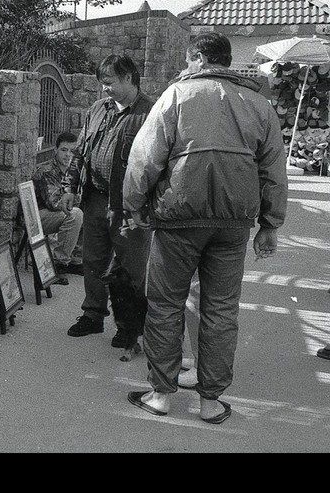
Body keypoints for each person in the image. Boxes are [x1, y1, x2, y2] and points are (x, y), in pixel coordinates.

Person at [123, 32, 287, 424]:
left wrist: (133, 207)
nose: (186, 67)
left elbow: (145, 158)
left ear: (198, 58)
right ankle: (210, 402)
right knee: (221, 309)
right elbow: (274, 170)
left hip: (180, 219)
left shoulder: (177, 97)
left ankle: (161, 395)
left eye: (188, 60)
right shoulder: (260, 104)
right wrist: (270, 224)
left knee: (165, 305)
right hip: (233, 225)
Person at [62, 55, 154, 345]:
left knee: (131, 268)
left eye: (109, 82)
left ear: (128, 78)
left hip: (131, 206)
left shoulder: (151, 113)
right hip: (96, 199)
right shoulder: (97, 110)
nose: (105, 89)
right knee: (93, 261)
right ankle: (93, 315)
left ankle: (129, 326)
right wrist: (69, 187)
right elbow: (80, 151)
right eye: (102, 83)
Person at [32, 132, 84, 286]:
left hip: (54, 214)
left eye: (72, 151)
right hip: (38, 217)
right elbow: (55, 203)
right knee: (76, 214)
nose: (68, 155)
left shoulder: (74, 171)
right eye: (64, 150)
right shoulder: (47, 171)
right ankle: (57, 263)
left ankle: (74, 259)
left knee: (89, 209)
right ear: (55, 150)